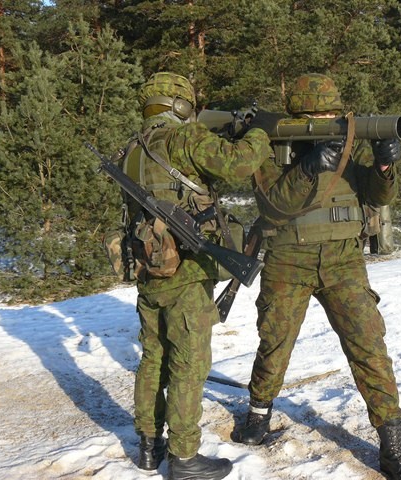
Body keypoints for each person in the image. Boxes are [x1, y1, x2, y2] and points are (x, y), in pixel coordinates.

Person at [236, 73, 401, 480]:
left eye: (330, 114)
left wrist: (385, 165)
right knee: (275, 340)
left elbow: (377, 196)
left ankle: (392, 442)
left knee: (368, 343)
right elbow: (272, 206)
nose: (326, 121)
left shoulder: (344, 155)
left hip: (343, 261)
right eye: (317, 116)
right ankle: (258, 414)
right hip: (288, 259)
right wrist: (307, 165)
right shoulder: (270, 151)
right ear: (299, 119)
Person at [123, 72, 272, 480]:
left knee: (153, 358)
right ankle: (185, 457)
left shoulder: (132, 150)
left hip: (149, 269)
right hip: (187, 271)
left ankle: (149, 447)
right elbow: (240, 163)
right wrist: (259, 132)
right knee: (189, 363)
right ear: (182, 106)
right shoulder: (181, 139)